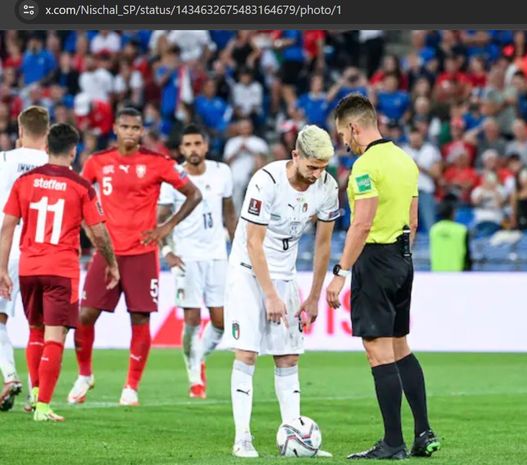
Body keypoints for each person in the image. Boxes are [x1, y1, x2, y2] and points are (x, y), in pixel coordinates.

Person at [326, 94, 440, 460]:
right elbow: (416, 219)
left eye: (343, 133)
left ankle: (393, 443)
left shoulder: (364, 168)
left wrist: (341, 272)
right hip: (403, 256)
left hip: (374, 259)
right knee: (400, 346)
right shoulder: (406, 161)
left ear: (355, 127)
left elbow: (361, 224)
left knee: (378, 353)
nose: (343, 141)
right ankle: (423, 432)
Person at [67, 107, 202, 407]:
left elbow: (194, 194)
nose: (130, 132)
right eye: (125, 126)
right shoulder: (97, 162)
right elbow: (77, 195)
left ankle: (131, 387)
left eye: (135, 128)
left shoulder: (158, 163)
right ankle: (84, 374)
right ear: (115, 128)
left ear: (142, 131)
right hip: (108, 252)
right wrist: (89, 230)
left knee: (139, 318)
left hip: (142, 252)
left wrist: (166, 226)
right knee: (85, 315)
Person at [227, 125, 338, 458]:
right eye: (312, 167)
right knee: (247, 352)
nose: (317, 174)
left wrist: (315, 295)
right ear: (295, 156)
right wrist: (270, 295)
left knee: (288, 356)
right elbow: (253, 242)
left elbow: (323, 244)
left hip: (286, 275)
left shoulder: (327, 187)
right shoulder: (266, 181)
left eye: (322, 168)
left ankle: (296, 435)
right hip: (248, 271)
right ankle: (242, 437)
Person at [0, 123, 119, 421]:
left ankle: (36, 393)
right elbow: (100, 233)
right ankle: (42, 407)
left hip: (28, 268)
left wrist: (2, 268)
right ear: (74, 150)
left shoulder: (24, 181)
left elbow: (7, 228)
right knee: (55, 335)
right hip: (61, 269)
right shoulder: (81, 186)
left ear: (46, 148)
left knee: (35, 331)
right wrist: (112, 263)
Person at [158, 125, 236, 399]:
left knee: (220, 322)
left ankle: (197, 357)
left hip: (217, 255)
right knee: (192, 318)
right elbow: (161, 218)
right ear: (181, 150)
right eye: (187, 145)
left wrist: (237, 249)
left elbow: (229, 212)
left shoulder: (222, 172)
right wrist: (166, 250)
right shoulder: (173, 177)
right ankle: (195, 378)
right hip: (187, 256)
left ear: (205, 146)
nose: (193, 149)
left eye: (197, 143)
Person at [0, 106, 50, 412]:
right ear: (47, 133)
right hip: (42, 252)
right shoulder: (55, 165)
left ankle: (9, 375)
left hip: (7, 249)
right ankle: (37, 394)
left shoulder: (4, 160)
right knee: (40, 325)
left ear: (20, 131)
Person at [429, 200, 471, 271]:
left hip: (436, 273)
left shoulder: (434, 229)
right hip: (457, 273)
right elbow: (467, 256)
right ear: (453, 213)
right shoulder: (462, 230)